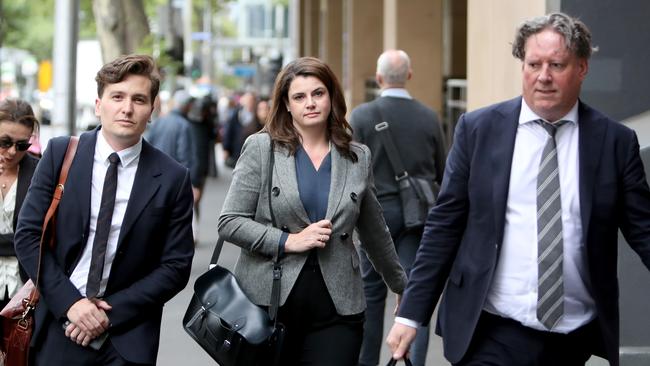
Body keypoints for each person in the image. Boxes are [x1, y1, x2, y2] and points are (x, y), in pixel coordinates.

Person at [386, 12, 650, 366]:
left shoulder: (614, 143)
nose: (543, 76)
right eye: (533, 63)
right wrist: (410, 314)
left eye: (557, 64)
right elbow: (444, 225)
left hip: (573, 338)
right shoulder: (478, 130)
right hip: (492, 328)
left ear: (582, 68)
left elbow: (643, 230)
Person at [218, 57, 407, 365]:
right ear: (287, 104)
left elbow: (374, 232)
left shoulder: (357, 156)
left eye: (318, 93)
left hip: (338, 310)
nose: (310, 103)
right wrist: (287, 241)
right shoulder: (262, 148)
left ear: (332, 96)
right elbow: (230, 222)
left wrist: (401, 285)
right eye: (299, 96)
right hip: (268, 308)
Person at [15, 54, 195, 365]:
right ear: (99, 105)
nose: (127, 108)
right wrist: (72, 304)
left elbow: (176, 266)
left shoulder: (173, 177)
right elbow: (29, 237)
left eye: (139, 99)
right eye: (117, 97)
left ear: (152, 110)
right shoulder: (60, 154)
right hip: (60, 323)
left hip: (126, 337)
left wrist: (107, 314)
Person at [350, 49, 446, 366]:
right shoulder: (430, 116)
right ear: (409, 76)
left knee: (371, 295)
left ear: (379, 78)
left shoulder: (362, 116)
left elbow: (350, 173)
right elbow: (441, 170)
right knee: (413, 295)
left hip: (374, 216)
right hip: (417, 216)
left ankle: (367, 362)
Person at [0, 98, 40, 310]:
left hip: (24, 291)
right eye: (4, 142)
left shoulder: (40, 172)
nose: (13, 152)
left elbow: (39, 236)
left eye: (22, 145)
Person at [146, 88, 194, 172]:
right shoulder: (184, 125)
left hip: (154, 170)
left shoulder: (159, 120)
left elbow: (148, 143)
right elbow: (184, 156)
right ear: (187, 106)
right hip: (172, 174)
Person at [221, 91, 257, 168]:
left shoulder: (256, 115)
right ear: (243, 101)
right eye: (247, 100)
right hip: (237, 150)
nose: (249, 102)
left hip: (252, 151)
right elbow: (229, 131)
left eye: (251, 100)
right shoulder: (237, 113)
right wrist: (226, 149)